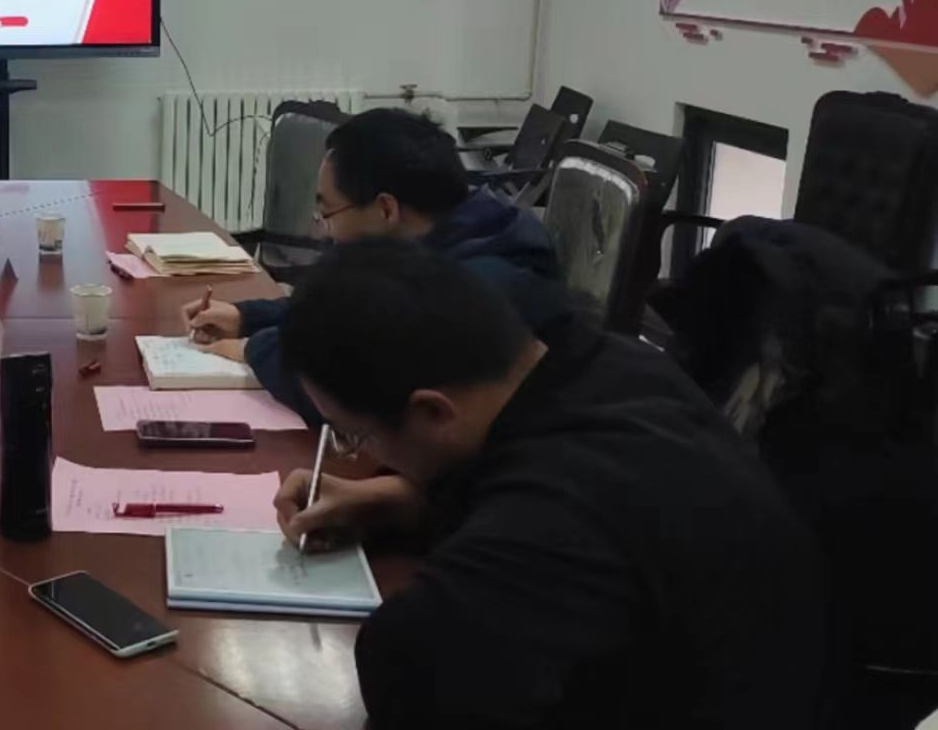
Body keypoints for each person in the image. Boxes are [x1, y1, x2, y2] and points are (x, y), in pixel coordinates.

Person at [272, 240, 827, 730]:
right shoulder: (617, 364)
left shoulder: (554, 514)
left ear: (433, 412)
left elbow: (410, 673)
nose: (360, 454)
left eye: (354, 435)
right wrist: (412, 501)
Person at [184, 108, 568, 422]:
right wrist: (247, 317)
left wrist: (253, 348)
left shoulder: (475, 288)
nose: (321, 231)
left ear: (386, 209)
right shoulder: (446, 233)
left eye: (327, 213)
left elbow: (353, 392)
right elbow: (341, 308)